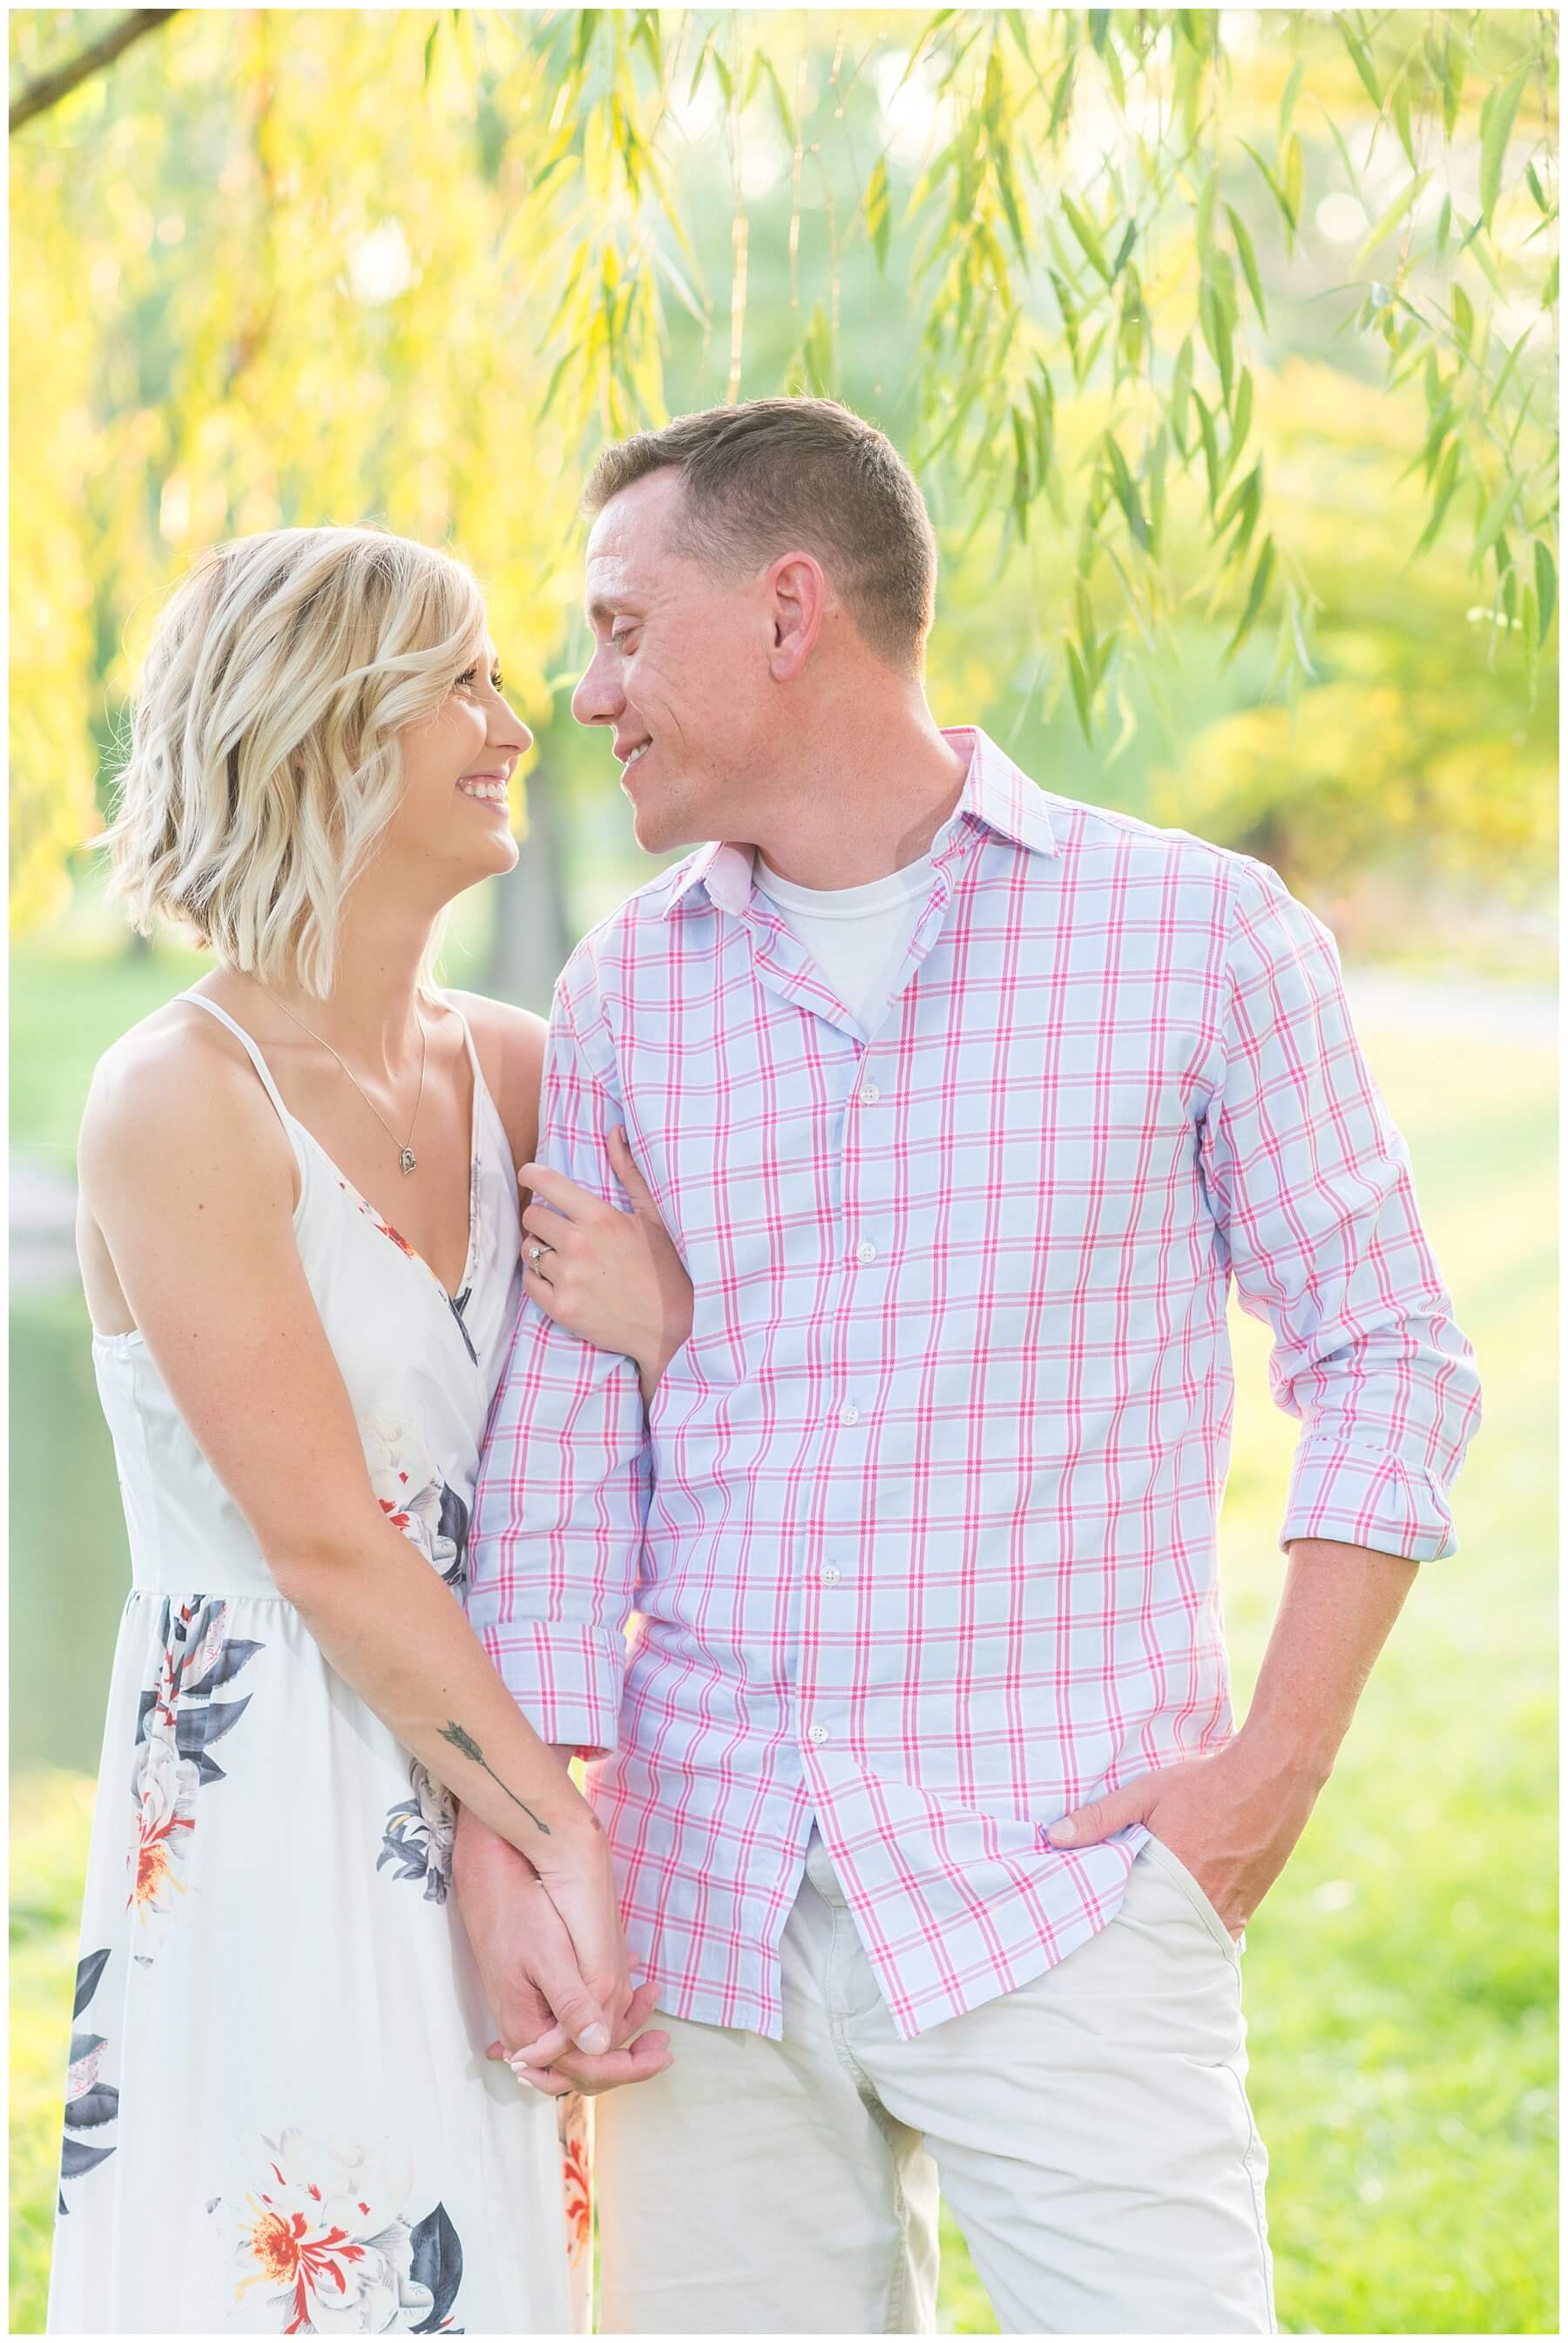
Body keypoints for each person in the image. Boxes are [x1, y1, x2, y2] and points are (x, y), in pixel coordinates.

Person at [455, 398, 1484, 2335]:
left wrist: (1266, 1773)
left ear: (787, 613)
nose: (584, 691)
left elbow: (1392, 1359)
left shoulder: (1195, 941)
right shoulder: (625, 992)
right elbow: (568, 1463)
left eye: (619, 627)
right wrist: (531, 1844)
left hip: (1064, 1883)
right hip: (711, 1905)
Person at [48, 525, 685, 2334]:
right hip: (285, 1803)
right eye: (465, 680)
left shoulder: (524, 1064)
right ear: (326, 725)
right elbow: (326, 1539)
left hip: (507, 1749)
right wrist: (560, 1835)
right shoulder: (177, 1099)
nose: (519, 718)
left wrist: (669, 1322)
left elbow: (650, 1427)